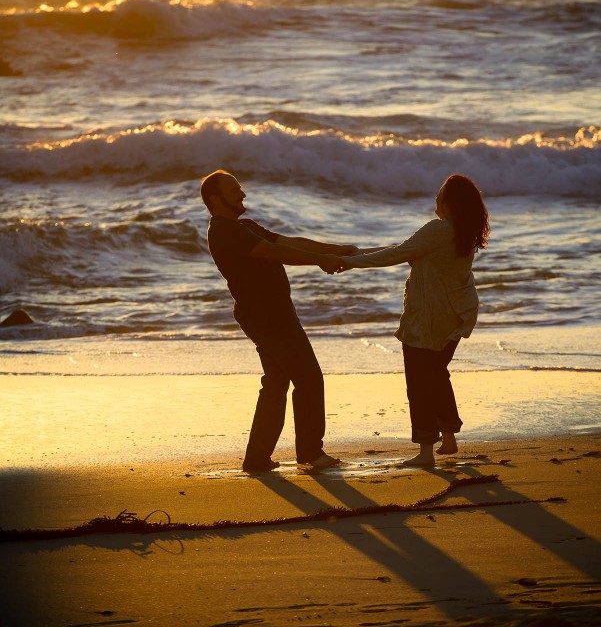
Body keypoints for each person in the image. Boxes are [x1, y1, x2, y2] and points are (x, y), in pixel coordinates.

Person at [201, 170, 354, 473]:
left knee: (275, 384)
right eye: (235, 191)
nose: (242, 194)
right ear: (216, 199)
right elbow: (274, 251)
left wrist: (334, 249)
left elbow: (288, 241)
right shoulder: (223, 231)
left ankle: (257, 459)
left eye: (240, 188)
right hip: (268, 318)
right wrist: (321, 260)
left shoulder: (244, 226)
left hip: (272, 314)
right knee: (308, 378)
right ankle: (311, 452)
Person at [341, 174, 489, 468]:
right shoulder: (464, 232)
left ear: (447, 202)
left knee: (420, 382)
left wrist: (349, 262)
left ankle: (425, 453)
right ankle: (448, 439)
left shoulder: (439, 229)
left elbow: (398, 254)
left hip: (428, 320)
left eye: (440, 193)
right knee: (436, 375)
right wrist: (355, 252)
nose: (436, 198)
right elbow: (405, 249)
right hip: (455, 317)